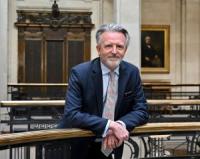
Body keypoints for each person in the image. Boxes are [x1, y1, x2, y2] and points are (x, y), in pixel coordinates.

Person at [58, 23, 148, 159]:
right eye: (108, 46)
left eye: (119, 46)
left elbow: (141, 111)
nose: (114, 51)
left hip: (114, 144)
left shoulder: (132, 72)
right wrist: (109, 125)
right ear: (98, 49)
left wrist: (119, 125)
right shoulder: (80, 73)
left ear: (125, 50)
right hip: (79, 144)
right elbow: (72, 114)